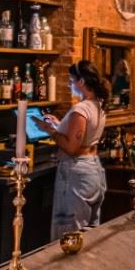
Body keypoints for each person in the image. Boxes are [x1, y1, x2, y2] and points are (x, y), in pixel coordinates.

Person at [35, 60, 108, 239]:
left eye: (71, 80)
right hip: (93, 168)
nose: (69, 84)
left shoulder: (81, 109)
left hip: (77, 171)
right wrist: (60, 124)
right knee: (90, 232)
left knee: (69, 232)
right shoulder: (98, 104)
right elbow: (83, 136)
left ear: (81, 81)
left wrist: (50, 130)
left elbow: (72, 148)